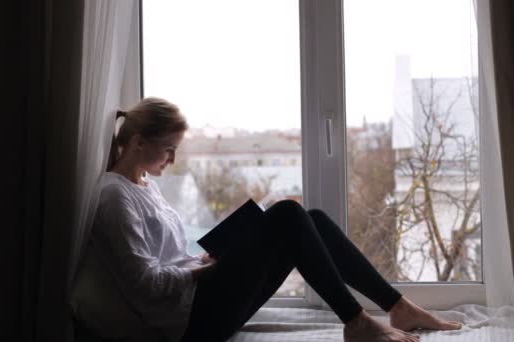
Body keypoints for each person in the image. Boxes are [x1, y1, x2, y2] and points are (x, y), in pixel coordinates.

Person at [91, 97, 462, 342]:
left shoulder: (143, 185)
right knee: (286, 214)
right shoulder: (115, 196)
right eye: (168, 149)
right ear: (138, 142)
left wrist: (208, 256)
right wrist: (201, 271)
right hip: (191, 323)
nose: (171, 160)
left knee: (309, 217)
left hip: (200, 298)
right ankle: (357, 322)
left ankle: (398, 307)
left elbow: (167, 255)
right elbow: (145, 283)